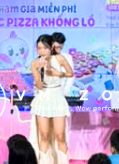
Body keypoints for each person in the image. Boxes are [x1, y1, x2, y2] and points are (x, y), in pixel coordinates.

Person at [30, 34, 72, 164]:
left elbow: (70, 73)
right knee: (44, 136)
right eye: (39, 48)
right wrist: (39, 73)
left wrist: (59, 73)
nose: (42, 51)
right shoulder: (35, 63)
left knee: (60, 135)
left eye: (45, 48)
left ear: (51, 47)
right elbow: (38, 84)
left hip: (57, 97)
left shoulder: (59, 58)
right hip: (43, 98)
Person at [51, 33, 74, 98]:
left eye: (60, 47)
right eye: (55, 47)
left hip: (62, 93)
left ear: (63, 45)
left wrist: (65, 92)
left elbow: (70, 77)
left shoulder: (67, 57)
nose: (57, 49)